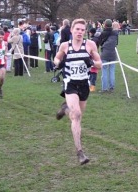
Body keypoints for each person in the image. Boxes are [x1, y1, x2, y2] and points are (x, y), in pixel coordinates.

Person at [53, 18, 102, 165]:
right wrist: (58, 63)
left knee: (77, 116)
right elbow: (56, 58)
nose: (80, 32)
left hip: (84, 85)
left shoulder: (90, 45)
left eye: (82, 30)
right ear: (72, 30)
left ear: (85, 31)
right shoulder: (65, 46)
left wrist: (92, 63)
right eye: (77, 29)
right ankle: (80, 152)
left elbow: (100, 64)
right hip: (70, 84)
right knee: (77, 115)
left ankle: (65, 108)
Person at [99, 19, 118, 93]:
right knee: (112, 70)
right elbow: (116, 43)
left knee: (104, 71)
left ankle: (104, 88)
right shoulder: (115, 33)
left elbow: (100, 43)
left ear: (105, 25)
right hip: (113, 54)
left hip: (105, 54)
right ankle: (112, 87)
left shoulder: (103, 33)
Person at [89, 28, 101, 92]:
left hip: (93, 57)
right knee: (91, 75)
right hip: (94, 56)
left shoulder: (93, 40)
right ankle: (90, 86)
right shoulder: (95, 39)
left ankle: (92, 88)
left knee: (93, 76)